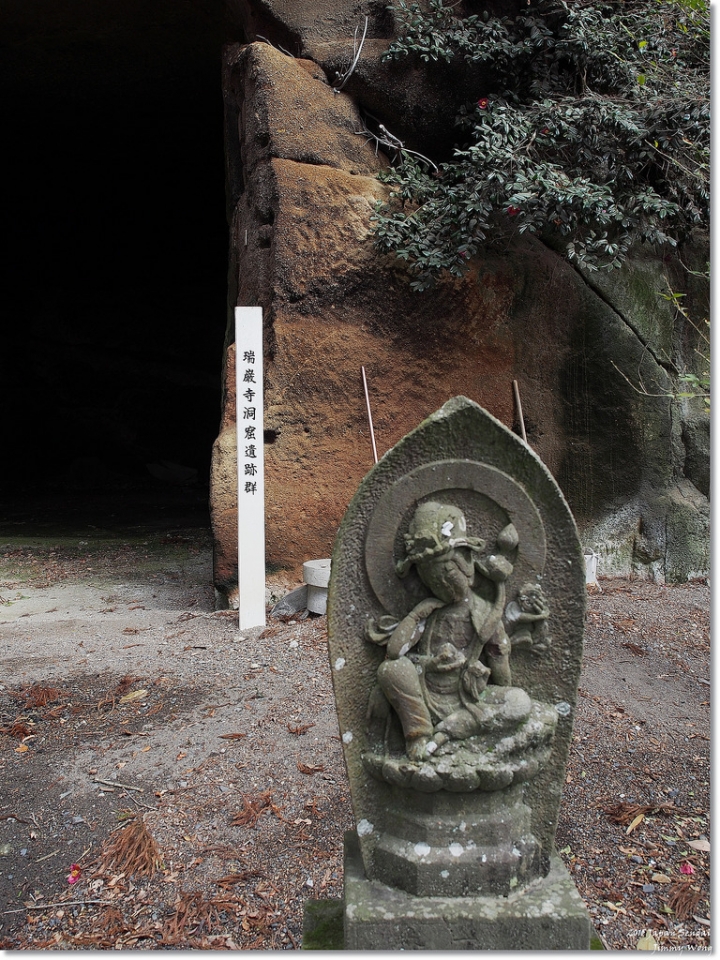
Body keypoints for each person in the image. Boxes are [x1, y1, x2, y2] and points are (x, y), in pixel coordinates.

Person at [366, 501, 516, 760]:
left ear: (467, 563)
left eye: (447, 574)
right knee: (390, 670)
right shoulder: (429, 611)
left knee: (518, 701)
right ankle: (420, 736)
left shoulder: (485, 614)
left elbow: (503, 678)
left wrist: (493, 663)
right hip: (426, 696)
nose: (442, 585)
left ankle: (450, 731)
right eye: (432, 580)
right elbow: (394, 651)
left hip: (469, 699)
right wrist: (420, 617)